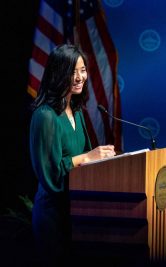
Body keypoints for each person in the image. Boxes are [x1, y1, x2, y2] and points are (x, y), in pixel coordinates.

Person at [29, 44, 116, 266]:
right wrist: (87, 157)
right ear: (58, 73)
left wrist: (102, 159)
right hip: (53, 215)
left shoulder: (76, 112)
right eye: (72, 71)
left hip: (77, 210)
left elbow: (86, 158)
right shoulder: (45, 116)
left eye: (83, 70)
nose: (80, 77)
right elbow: (51, 175)